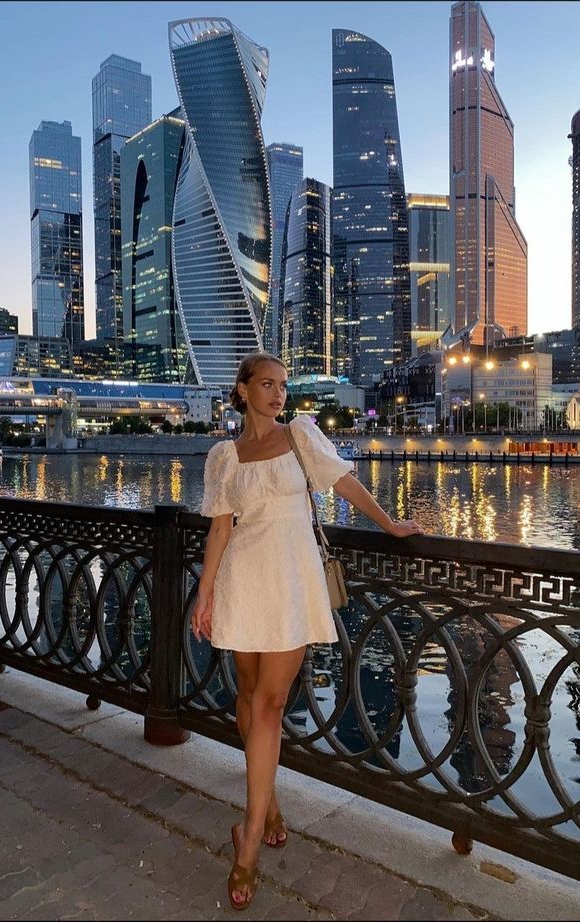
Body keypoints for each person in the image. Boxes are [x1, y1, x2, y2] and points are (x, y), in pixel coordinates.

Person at [192, 352, 424, 911]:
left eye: (283, 386)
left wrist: (390, 524)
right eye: (267, 385)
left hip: (292, 585)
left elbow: (342, 482)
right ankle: (267, 804)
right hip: (243, 583)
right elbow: (221, 530)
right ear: (243, 390)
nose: (278, 395)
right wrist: (205, 593)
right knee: (246, 695)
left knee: (270, 703)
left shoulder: (301, 434)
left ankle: (247, 841)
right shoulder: (224, 456)